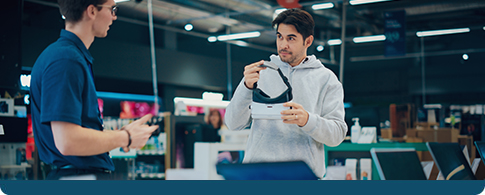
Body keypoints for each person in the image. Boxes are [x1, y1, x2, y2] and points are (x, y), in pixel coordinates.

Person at [30, 0, 158, 180]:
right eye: (112, 9)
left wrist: (123, 135)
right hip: (76, 177)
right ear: (91, 11)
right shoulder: (66, 59)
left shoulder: (68, 56)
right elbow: (68, 141)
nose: (114, 16)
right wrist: (125, 137)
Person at [224, 8, 347, 179]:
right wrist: (245, 87)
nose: (283, 45)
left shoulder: (326, 79)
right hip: (258, 176)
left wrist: (307, 120)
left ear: (308, 41)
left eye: (291, 38)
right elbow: (232, 123)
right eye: (280, 37)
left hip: (302, 178)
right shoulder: (260, 72)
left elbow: (337, 135)